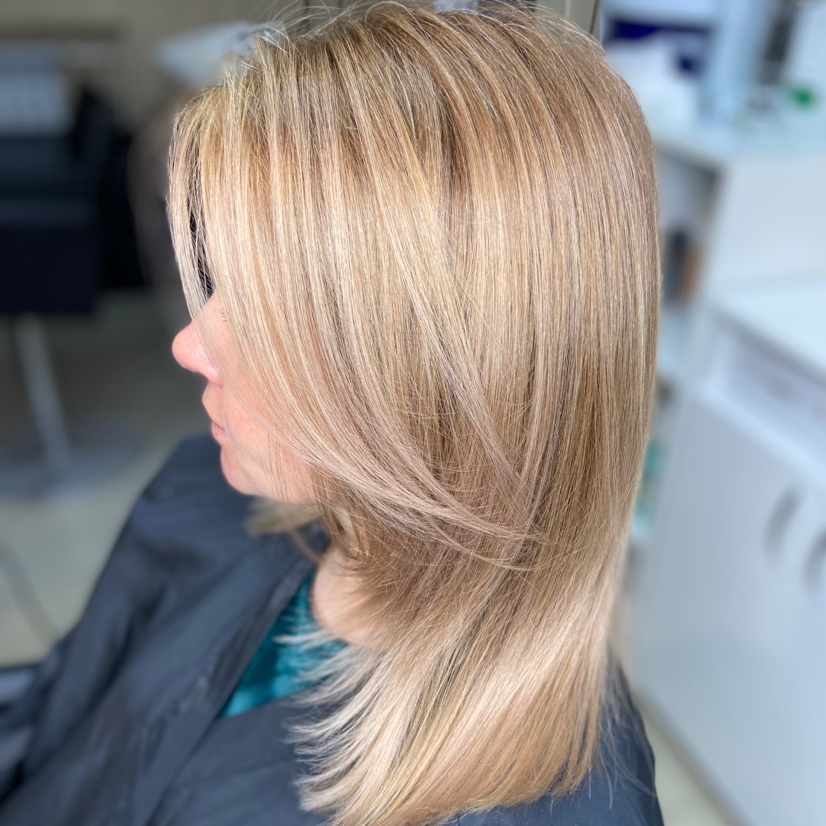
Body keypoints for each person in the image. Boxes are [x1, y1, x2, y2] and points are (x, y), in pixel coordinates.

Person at [0, 2, 664, 825]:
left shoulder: (564, 803)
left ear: (446, 376)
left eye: (273, 307)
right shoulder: (197, 499)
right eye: (221, 279)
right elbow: (56, 725)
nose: (189, 345)